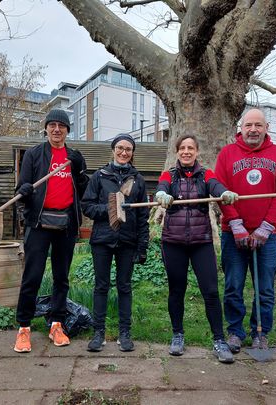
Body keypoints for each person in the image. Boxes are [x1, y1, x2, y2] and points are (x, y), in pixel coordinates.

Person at [155, 134, 238, 364]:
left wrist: (224, 193)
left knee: (211, 291)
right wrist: (161, 195)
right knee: (177, 290)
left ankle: (219, 340)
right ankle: (177, 335)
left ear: (197, 151)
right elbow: (160, 188)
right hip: (173, 242)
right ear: (177, 151)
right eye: (182, 148)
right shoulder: (169, 175)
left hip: (201, 242)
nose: (187, 152)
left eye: (191, 148)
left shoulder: (206, 174)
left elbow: (216, 186)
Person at [215, 108, 276, 353]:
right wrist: (236, 225)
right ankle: (235, 332)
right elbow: (219, 191)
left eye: (258, 125)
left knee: (265, 288)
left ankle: (261, 333)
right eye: (249, 125)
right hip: (232, 234)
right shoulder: (227, 153)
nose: (253, 130)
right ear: (241, 127)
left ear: (266, 128)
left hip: (265, 236)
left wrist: (265, 228)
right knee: (233, 285)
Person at [13, 109, 89, 352]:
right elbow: (21, 190)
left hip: (65, 224)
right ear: (46, 128)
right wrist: (24, 192)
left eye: (62, 126)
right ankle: (24, 327)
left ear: (68, 129)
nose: (57, 129)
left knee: (61, 277)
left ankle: (57, 323)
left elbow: (84, 190)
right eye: (52, 125)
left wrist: (79, 171)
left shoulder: (74, 156)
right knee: (32, 276)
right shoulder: (35, 154)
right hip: (39, 224)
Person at [81, 133, 149, 352]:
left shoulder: (137, 179)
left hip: (127, 241)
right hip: (102, 240)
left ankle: (124, 333)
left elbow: (143, 216)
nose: (123, 152)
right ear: (113, 149)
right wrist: (111, 209)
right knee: (101, 286)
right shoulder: (100, 176)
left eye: (128, 149)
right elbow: (87, 206)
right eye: (120, 148)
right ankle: (98, 333)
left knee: (125, 287)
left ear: (132, 153)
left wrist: (142, 246)